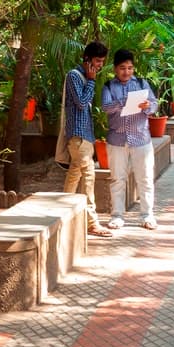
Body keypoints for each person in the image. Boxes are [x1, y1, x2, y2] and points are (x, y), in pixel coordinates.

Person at [99, 49, 159, 232]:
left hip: (141, 139)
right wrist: (124, 102)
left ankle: (147, 215)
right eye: (122, 68)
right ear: (115, 69)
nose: (127, 72)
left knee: (145, 178)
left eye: (130, 68)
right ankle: (117, 216)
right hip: (117, 140)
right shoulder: (109, 86)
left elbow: (154, 104)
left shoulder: (142, 83)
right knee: (117, 179)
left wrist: (148, 106)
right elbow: (106, 107)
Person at [58, 41, 113, 237]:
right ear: (87, 59)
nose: (100, 65)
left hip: (86, 136)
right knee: (89, 176)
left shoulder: (86, 77)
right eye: (97, 61)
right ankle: (92, 223)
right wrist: (91, 80)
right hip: (78, 136)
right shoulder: (74, 75)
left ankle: (60, 215)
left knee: (74, 175)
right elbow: (81, 103)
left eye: (102, 61)